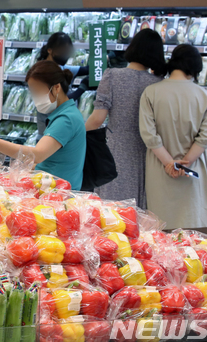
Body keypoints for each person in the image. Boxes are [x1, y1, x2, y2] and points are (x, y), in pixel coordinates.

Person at [0, 61, 86, 190]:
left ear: (57, 88)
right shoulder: (65, 113)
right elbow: (56, 158)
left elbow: (38, 155)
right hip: (48, 185)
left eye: (39, 91)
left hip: (57, 192)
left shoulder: (66, 119)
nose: (36, 98)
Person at [85, 29, 166, 209]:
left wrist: (77, 133)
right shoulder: (157, 83)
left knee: (112, 213)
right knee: (140, 214)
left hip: (115, 152)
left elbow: (97, 119)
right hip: (148, 153)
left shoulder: (112, 76)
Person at [139, 44, 207, 229]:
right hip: (192, 173)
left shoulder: (151, 92)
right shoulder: (204, 96)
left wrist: (169, 163)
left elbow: (148, 134)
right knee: (191, 238)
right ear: (196, 67)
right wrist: (186, 162)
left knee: (160, 235)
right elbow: (206, 136)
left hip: (160, 171)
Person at [36, 32, 89, 135]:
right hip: (51, 133)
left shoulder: (60, 67)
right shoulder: (45, 72)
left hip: (61, 129)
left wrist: (105, 56)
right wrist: (82, 88)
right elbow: (61, 101)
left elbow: (86, 70)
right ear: (50, 50)